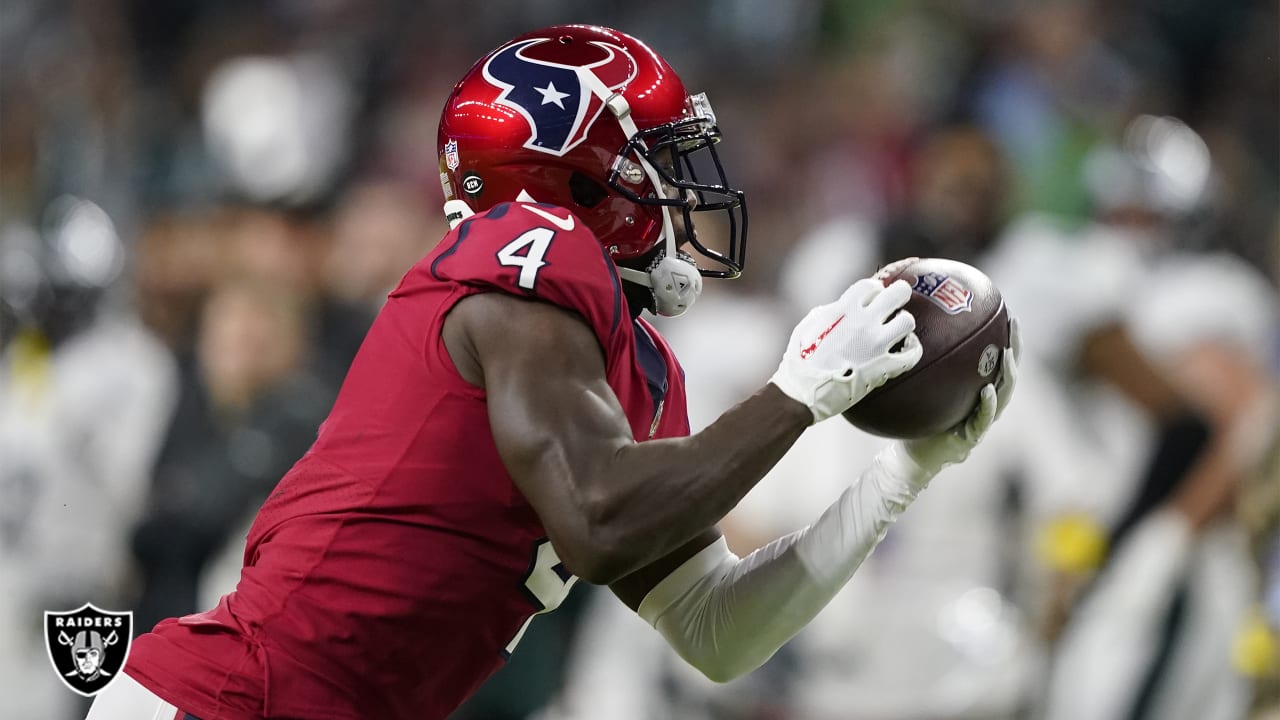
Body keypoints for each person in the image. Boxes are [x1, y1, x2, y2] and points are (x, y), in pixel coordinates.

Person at [87, 25, 1016, 720]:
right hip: (227, 701)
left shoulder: (637, 365)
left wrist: (899, 478)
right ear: (574, 177)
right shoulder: (525, 247)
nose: (677, 187)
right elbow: (598, 517)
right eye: (651, 160)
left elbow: (719, 631)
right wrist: (796, 396)